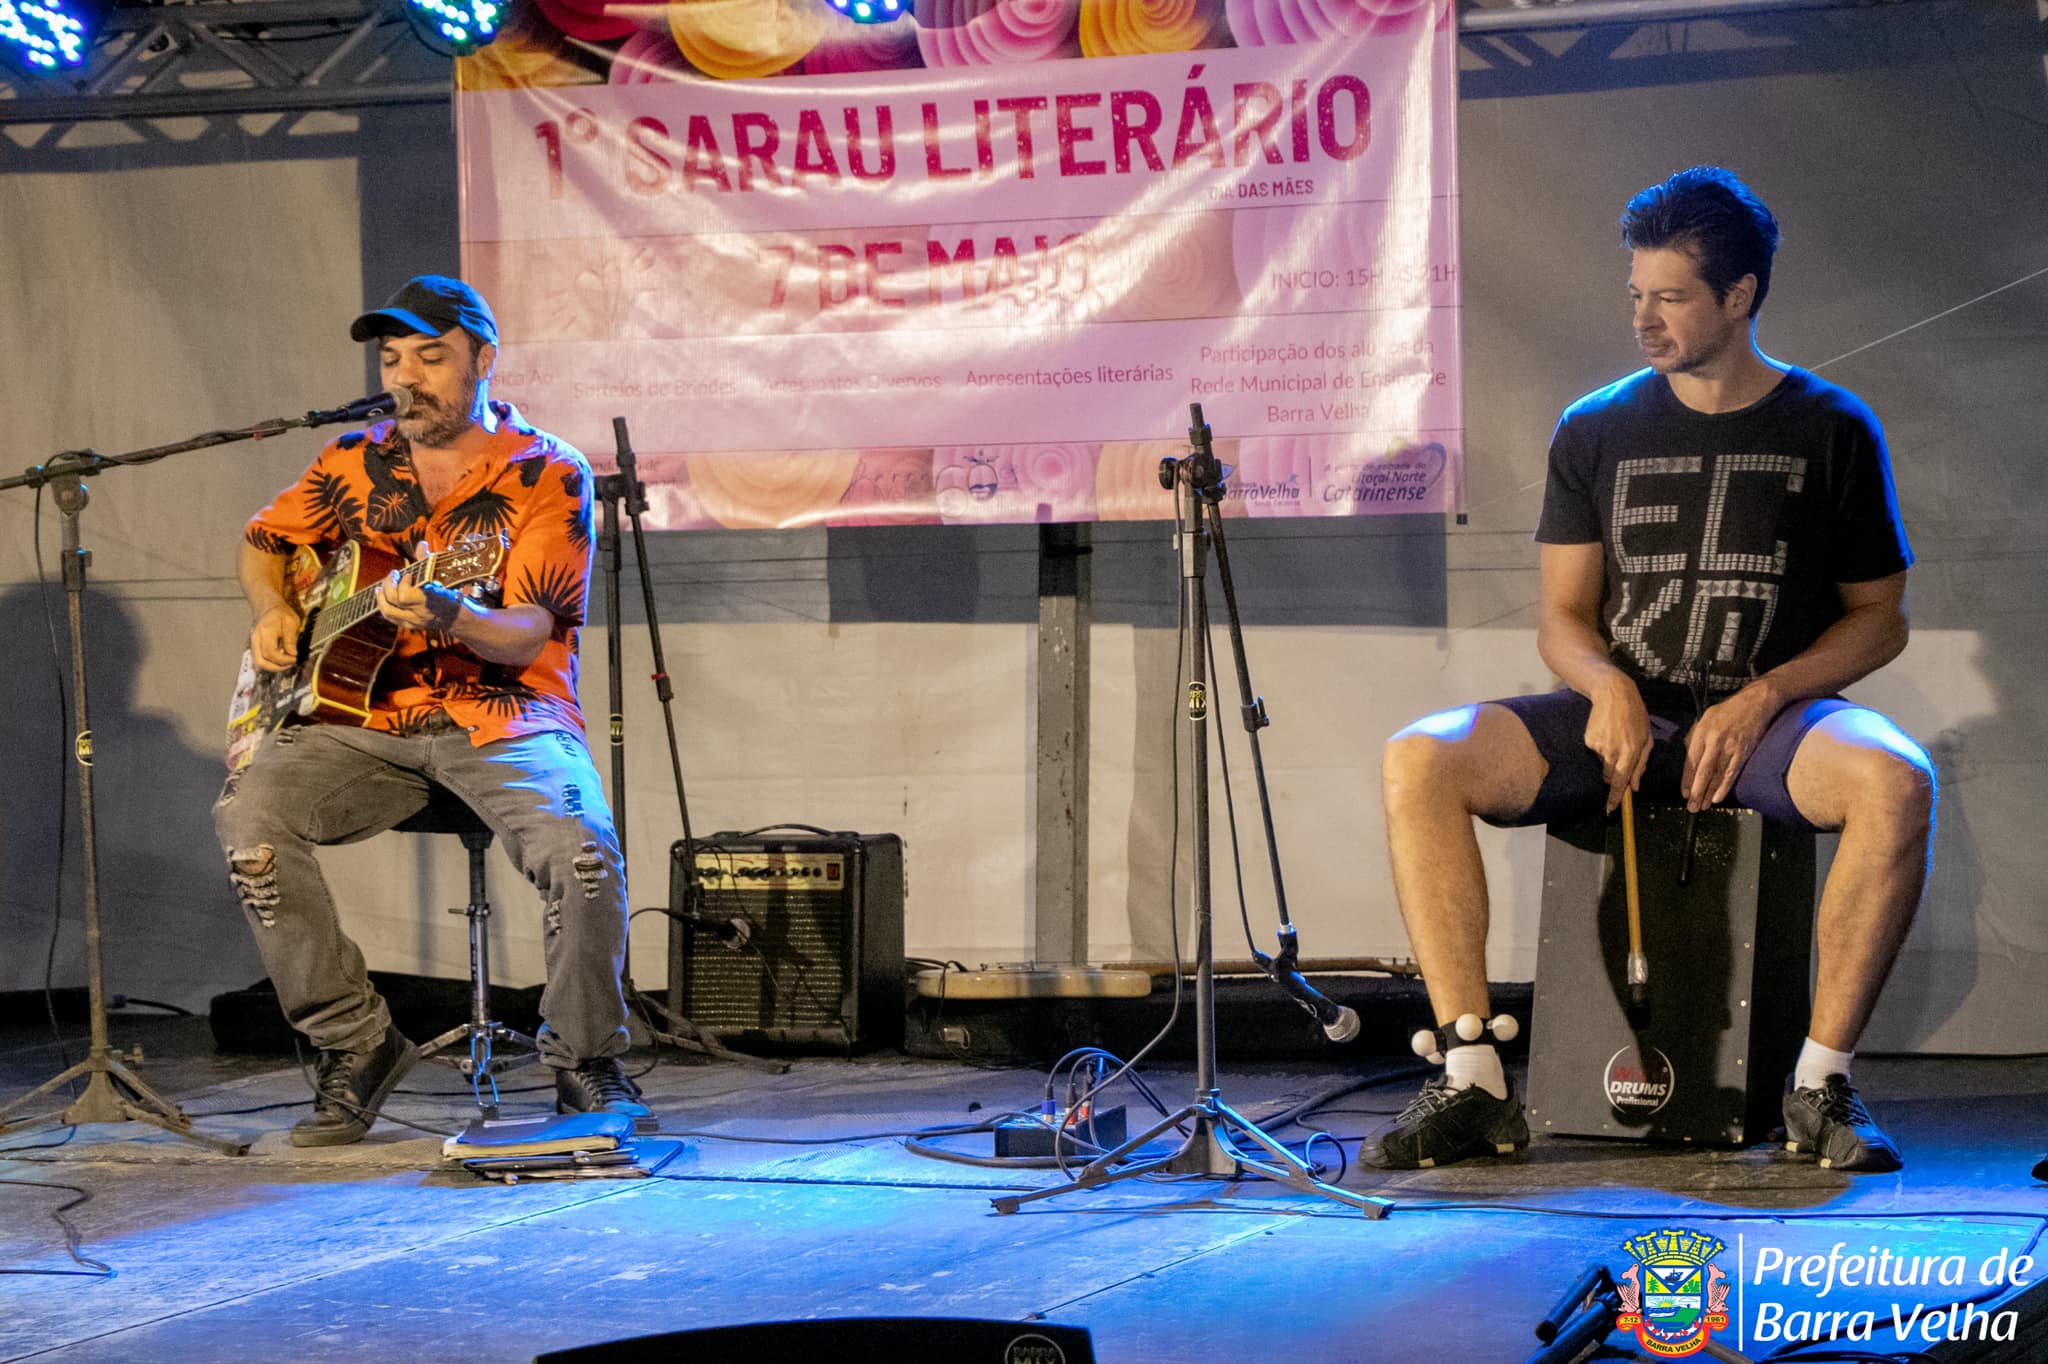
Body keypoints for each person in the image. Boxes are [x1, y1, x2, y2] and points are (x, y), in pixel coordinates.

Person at [1364, 168, 1933, 1174]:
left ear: (1738, 295)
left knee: (1895, 779)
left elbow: (1876, 620)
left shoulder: (1828, 425)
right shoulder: (1595, 425)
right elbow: (1562, 619)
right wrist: (1608, 684)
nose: (1643, 317)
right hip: (1622, 719)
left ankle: (1818, 1083)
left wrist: (1764, 693)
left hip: (1771, 727)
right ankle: (1472, 1078)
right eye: (1635, 293)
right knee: (1420, 758)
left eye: (1669, 296)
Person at [214, 275, 649, 1146]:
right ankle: (358, 1043)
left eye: (432, 357)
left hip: (503, 715)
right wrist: (275, 611)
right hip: (361, 719)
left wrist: (455, 613)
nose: (407, 375)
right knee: (249, 825)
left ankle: (584, 1059)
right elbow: (266, 541)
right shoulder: (350, 459)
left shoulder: (545, 473)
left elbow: (529, 630)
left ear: (483, 361)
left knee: (583, 853)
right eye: (393, 358)